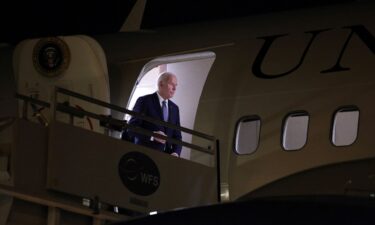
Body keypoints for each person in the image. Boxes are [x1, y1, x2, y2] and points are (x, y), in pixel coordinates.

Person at [124, 72, 182, 157]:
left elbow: (177, 137)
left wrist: (176, 152)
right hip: (144, 155)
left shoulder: (175, 108)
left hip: (166, 159)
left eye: (176, 85)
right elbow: (131, 128)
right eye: (172, 84)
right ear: (161, 83)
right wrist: (152, 135)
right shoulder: (144, 101)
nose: (174, 88)